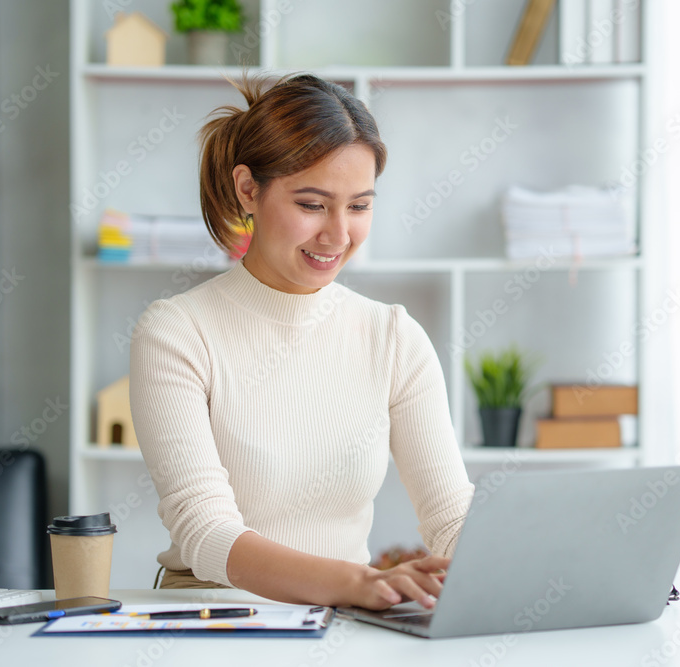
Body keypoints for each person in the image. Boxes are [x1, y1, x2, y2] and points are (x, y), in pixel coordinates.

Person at [129, 73, 474, 611]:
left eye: (359, 206)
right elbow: (205, 530)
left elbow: (452, 517)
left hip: (341, 623)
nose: (338, 236)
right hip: (211, 624)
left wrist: (531, 571)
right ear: (249, 188)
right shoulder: (177, 331)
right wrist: (355, 583)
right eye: (312, 205)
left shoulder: (393, 337)